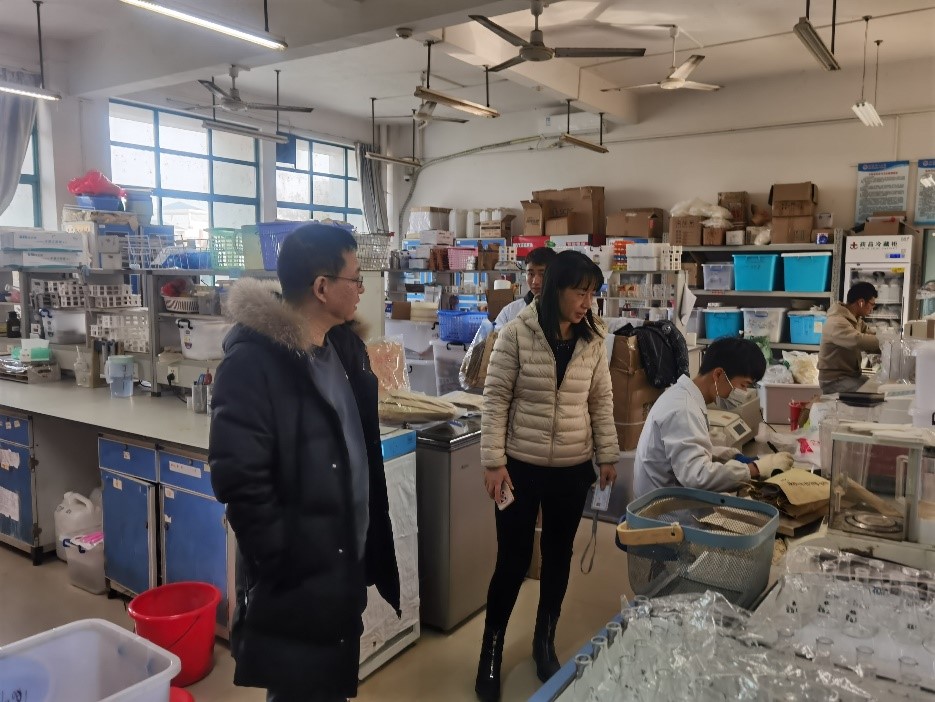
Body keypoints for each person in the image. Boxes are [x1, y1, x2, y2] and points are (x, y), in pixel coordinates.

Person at [209, 224, 400, 702]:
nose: (361, 289)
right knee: (297, 689)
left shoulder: (344, 349)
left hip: (341, 567)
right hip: (296, 577)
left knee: (329, 686)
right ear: (321, 287)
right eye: (355, 279)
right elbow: (240, 480)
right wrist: (284, 562)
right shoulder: (254, 363)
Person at [476, 250, 620, 702]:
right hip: (520, 466)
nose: (587, 302)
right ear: (556, 288)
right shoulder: (516, 334)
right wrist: (493, 461)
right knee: (513, 560)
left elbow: (601, 399)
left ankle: (544, 642)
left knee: (558, 557)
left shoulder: (594, 337)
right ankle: (491, 650)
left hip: (571, 469)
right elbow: (495, 398)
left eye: (592, 293)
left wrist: (607, 454)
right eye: (580, 292)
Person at [632, 337, 793, 500]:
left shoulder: (684, 397)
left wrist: (730, 456)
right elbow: (697, 476)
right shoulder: (683, 410)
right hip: (667, 510)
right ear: (718, 374)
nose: (744, 393)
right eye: (743, 385)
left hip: (673, 497)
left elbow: (691, 448)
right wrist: (755, 469)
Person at [818, 282, 881, 394]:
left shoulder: (855, 320)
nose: (872, 309)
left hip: (850, 376)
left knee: (879, 387)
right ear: (861, 302)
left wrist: (889, 342)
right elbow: (858, 340)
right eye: (872, 305)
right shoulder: (836, 322)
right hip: (834, 380)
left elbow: (871, 335)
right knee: (873, 393)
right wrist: (886, 341)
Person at [494, 246, 557, 328]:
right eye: (531, 274)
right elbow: (495, 334)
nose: (535, 281)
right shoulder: (510, 311)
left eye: (542, 274)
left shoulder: (564, 311)